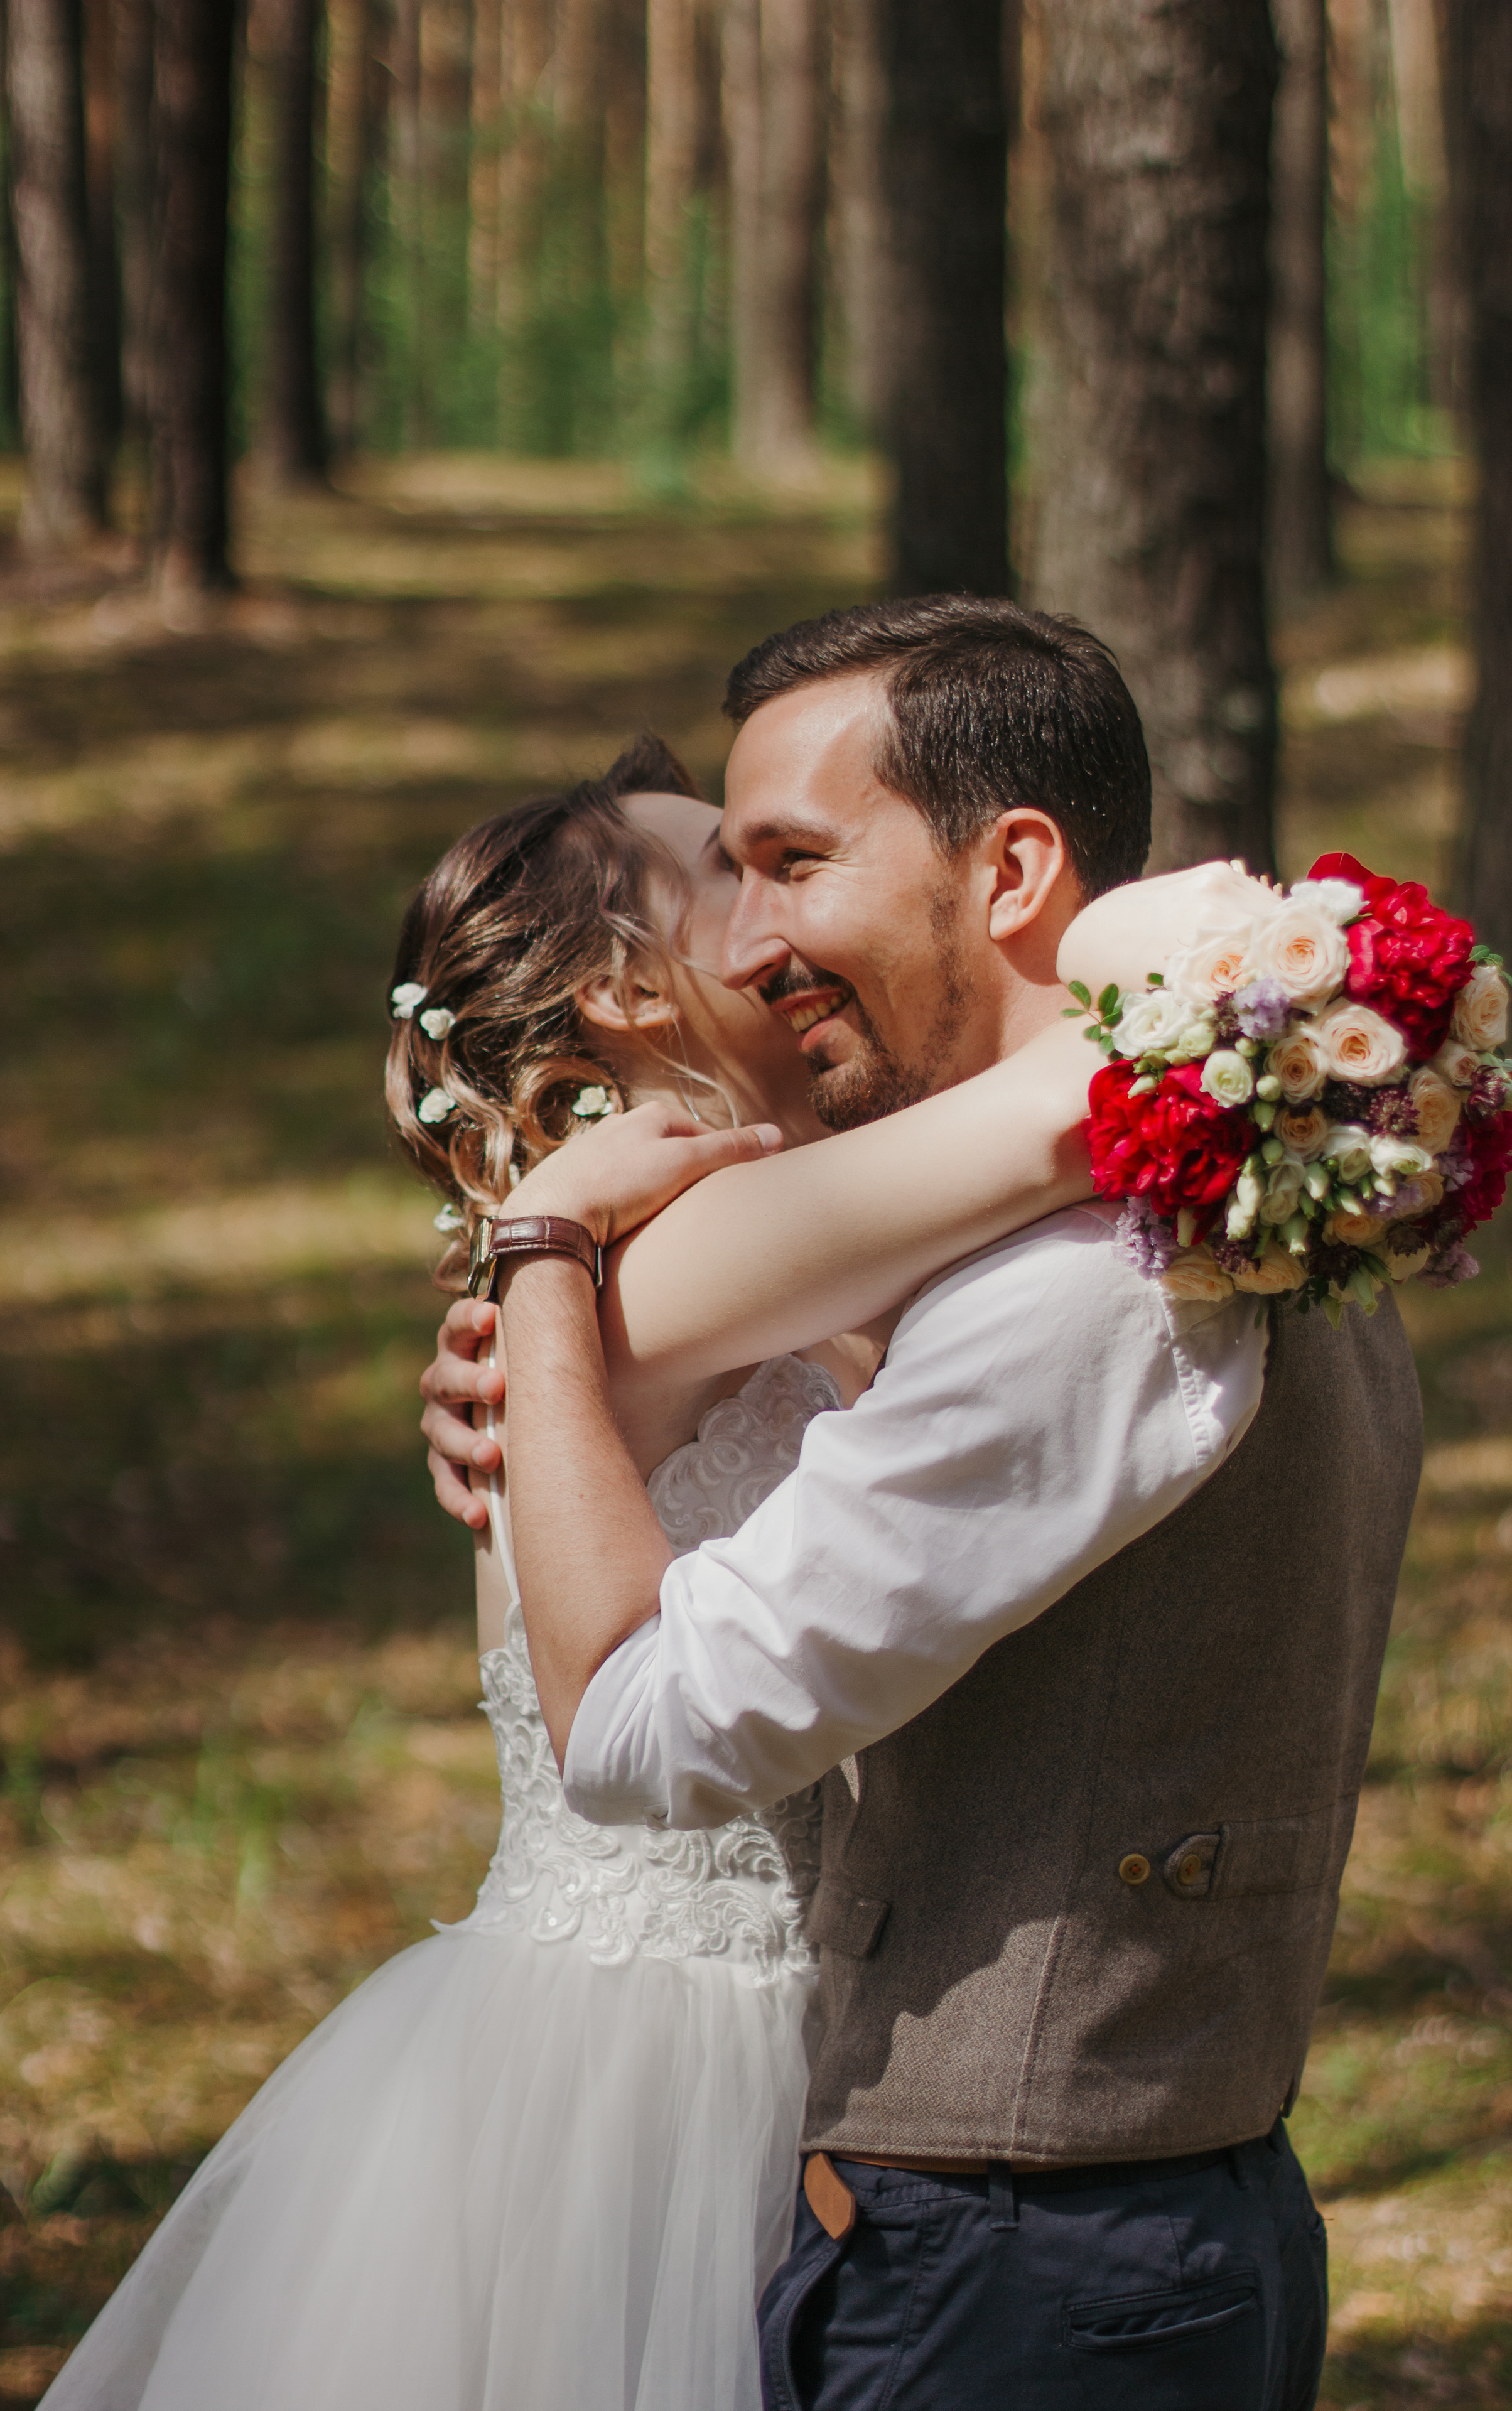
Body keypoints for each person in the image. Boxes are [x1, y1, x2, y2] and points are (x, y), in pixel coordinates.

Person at [44, 704, 1230, 2411]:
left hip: (629, 2024)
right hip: (679, 2059)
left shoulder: (605, 1268)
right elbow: (1072, 1108)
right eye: (721, 874)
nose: (768, 918)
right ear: (619, 988)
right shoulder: (696, 1239)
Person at [448, 596, 1425, 2411]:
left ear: (1012, 869)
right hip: (1095, 2218)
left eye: (795, 864)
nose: (755, 940)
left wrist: (539, 1270)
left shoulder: (1093, 1271)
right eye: (723, 881)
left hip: (1023, 2260)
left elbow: (653, 1726)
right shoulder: (1264, 1189)